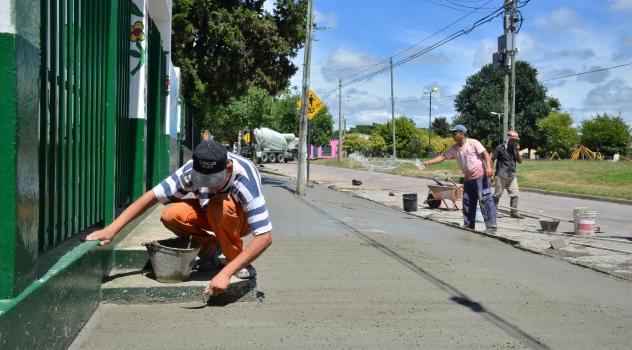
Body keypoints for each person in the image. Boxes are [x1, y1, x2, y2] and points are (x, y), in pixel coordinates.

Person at [86, 139, 272, 297]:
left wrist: (226, 274)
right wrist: (111, 230)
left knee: (219, 204)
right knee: (170, 214)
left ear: (228, 168)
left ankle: (235, 261)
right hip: (209, 213)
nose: (208, 185)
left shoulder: (245, 177)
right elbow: (153, 196)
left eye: (213, 181)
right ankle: (210, 247)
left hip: (240, 221)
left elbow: (264, 237)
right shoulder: (191, 170)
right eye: (202, 180)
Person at [422, 125, 497, 233]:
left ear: (462, 134)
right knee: (467, 201)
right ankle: (469, 225)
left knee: (485, 200)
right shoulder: (454, 148)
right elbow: (443, 156)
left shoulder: (473, 143)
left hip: (481, 177)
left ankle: (491, 227)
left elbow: (485, 154)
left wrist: (489, 168)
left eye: (455, 133)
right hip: (468, 179)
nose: (453, 135)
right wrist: (428, 163)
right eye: (453, 133)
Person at [492, 130, 524, 219]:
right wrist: (490, 171)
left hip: (512, 175)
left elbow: (520, 161)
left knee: (515, 193)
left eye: (515, 140)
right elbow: (492, 159)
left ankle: (514, 212)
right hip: (501, 174)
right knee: (498, 193)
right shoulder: (500, 148)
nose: (514, 142)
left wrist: (517, 151)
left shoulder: (514, 149)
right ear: (508, 139)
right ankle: (494, 211)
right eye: (513, 140)